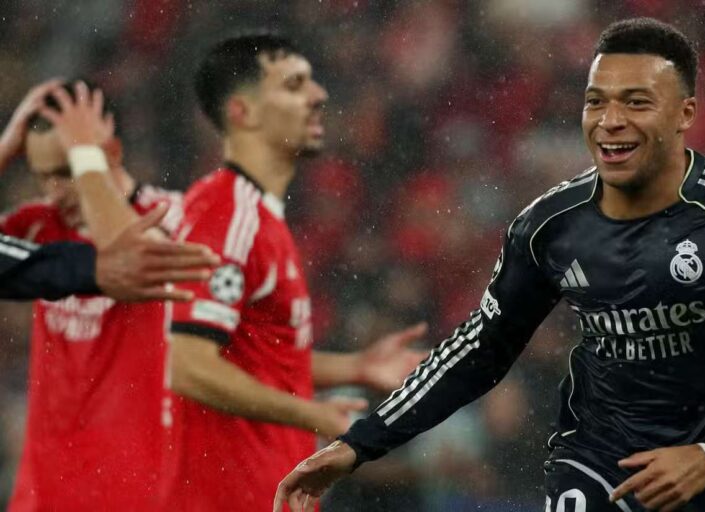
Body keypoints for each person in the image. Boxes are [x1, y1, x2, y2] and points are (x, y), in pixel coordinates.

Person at [276, 18, 705, 512]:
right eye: (596, 102)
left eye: (636, 102)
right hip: (595, 468)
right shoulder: (549, 226)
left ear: (685, 113)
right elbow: (480, 350)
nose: (610, 121)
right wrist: (357, 445)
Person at [161, 33, 427, 511]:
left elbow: (254, 362)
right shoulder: (227, 214)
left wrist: (355, 367)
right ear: (243, 112)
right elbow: (189, 366)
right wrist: (308, 412)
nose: (318, 95)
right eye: (294, 85)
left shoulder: (260, 218)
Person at [0, 80, 208, 510]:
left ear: (110, 151)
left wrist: (87, 159)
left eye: (65, 171)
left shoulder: (172, 213)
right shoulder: (38, 224)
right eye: (42, 175)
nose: (54, 191)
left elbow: (144, 259)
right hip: (44, 494)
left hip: (134, 492)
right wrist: (5, 147)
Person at [0, 205, 217, 301]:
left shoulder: (154, 210)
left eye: (66, 173)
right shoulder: (36, 219)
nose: (58, 192)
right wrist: (94, 268)